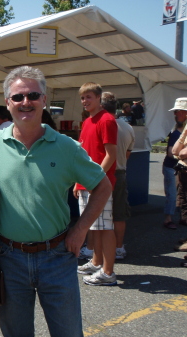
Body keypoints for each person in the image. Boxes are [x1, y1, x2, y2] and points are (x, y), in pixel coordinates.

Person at [0, 66, 112, 337]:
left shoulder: (66, 147)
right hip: (9, 259)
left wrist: (81, 229)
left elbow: (102, 186)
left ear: (43, 100)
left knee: (67, 332)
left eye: (32, 95)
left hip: (58, 256)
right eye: (17, 97)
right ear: (7, 103)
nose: (25, 102)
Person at [74, 82, 118, 286]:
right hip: (87, 183)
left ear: (99, 98)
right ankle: (96, 261)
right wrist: (78, 181)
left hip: (100, 184)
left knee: (105, 227)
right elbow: (83, 155)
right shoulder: (87, 121)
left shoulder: (107, 120)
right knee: (94, 226)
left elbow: (111, 155)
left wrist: (95, 180)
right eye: (83, 98)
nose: (85, 101)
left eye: (88, 97)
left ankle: (108, 272)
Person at [101, 92, 135, 260]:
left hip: (101, 174)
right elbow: (128, 153)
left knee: (98, 214)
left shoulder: (99, 124)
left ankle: (97, 250)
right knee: (119, 214)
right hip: (120, 173)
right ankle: (119, 248)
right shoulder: (128, 127)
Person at [170, 98, 187, 268]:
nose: (176, 114)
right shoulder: (186, 128)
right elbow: (176, 151)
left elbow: (183, 152)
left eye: (179, 110)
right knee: (186, 211)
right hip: (184, 173)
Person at [163, 102, 187, 229]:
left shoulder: (182, 133)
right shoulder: (176, 134)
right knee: (172, 194)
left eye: (177, 111)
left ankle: (184, 218)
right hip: (171, 167)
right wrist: (182, 157)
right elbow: (170, 153)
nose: (175, 114)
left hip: (178, 168)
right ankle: (168, 219)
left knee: (182, 194)